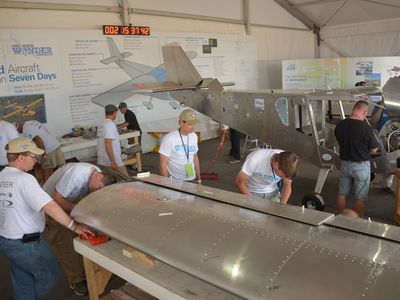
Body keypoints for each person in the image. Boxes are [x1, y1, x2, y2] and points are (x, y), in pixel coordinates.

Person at [0, 137, 93, 300]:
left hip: (7, 240)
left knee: (23, 280)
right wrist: (74, 226)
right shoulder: (24, 179)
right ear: (21, 157)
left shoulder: (2, 176)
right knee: (51, 273)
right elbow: (49, 206)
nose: (35, 161)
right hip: (27, 244)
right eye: (33, 157)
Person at [42, 163, 116, 296]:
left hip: (69, 198)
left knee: (84, 235)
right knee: (64, 243)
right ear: (98, 177)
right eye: (98, 189)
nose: (96, 192)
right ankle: (76, 281)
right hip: (51, 204)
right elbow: (56, 199)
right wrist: (80, 211)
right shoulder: (76, 174)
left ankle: (91, 272)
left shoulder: (96, 175)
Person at [335, 100, 379, 217]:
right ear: (364, 112)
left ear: (354, 109)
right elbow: (374, 149)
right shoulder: (366, 128)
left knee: (342, 194)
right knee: (360, 197)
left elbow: (342, 142)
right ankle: (357, 225)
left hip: (345, 164)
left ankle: (339, 219)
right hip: (361, 166)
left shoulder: (340, 125)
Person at [159, 109, 201, 182]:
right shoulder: (169, 138)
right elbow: (163, 163)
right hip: (175, 180)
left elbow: (195, 157)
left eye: (194, 123)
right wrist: (165, 184)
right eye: (190, 124)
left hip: (192, 178)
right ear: (181, 122)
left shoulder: (194, 136)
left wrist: (199, 179)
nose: (193, 126)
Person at [97, 104, 129, 178]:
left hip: (102, 160)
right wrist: (113, 161)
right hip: (111, 161)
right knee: (126, 182)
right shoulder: (110, 124)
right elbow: (108, 142)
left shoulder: (101, 124)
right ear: (114, 113)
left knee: (110, 183)